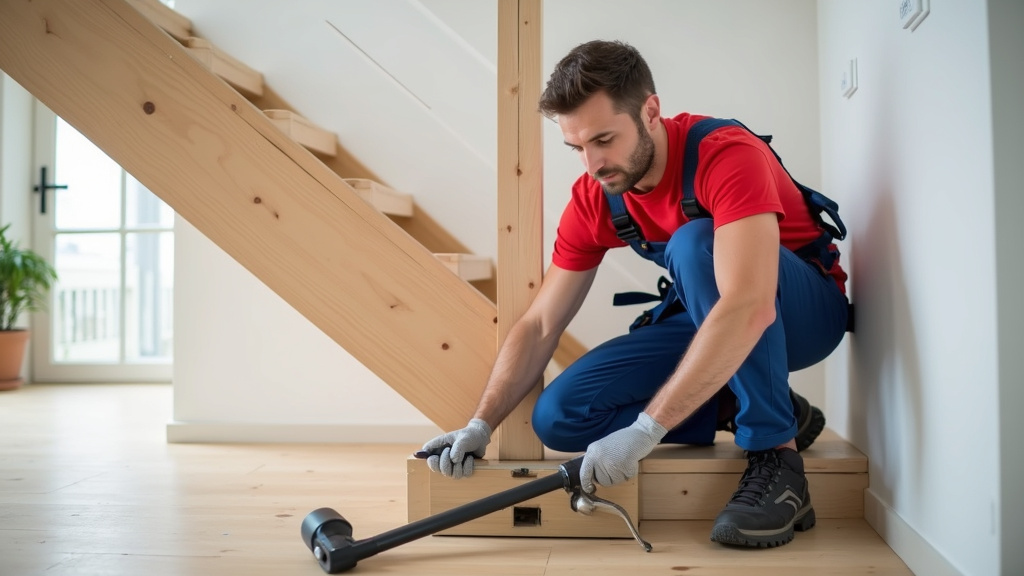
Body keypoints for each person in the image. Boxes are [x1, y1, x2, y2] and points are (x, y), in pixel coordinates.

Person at [421, 39, 849, 549]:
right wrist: (480, 423)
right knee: (559, 417)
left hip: (801, 312)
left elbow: (749, 304)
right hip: (711, 314)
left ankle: (778, 458)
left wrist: (647, 430)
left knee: (695, 242)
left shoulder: (724, 154)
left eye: (604, 139)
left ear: (650, 111)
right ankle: (739, 404)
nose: (593, 164)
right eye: (577, 147)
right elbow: (540, 325)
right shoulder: (596, 197)